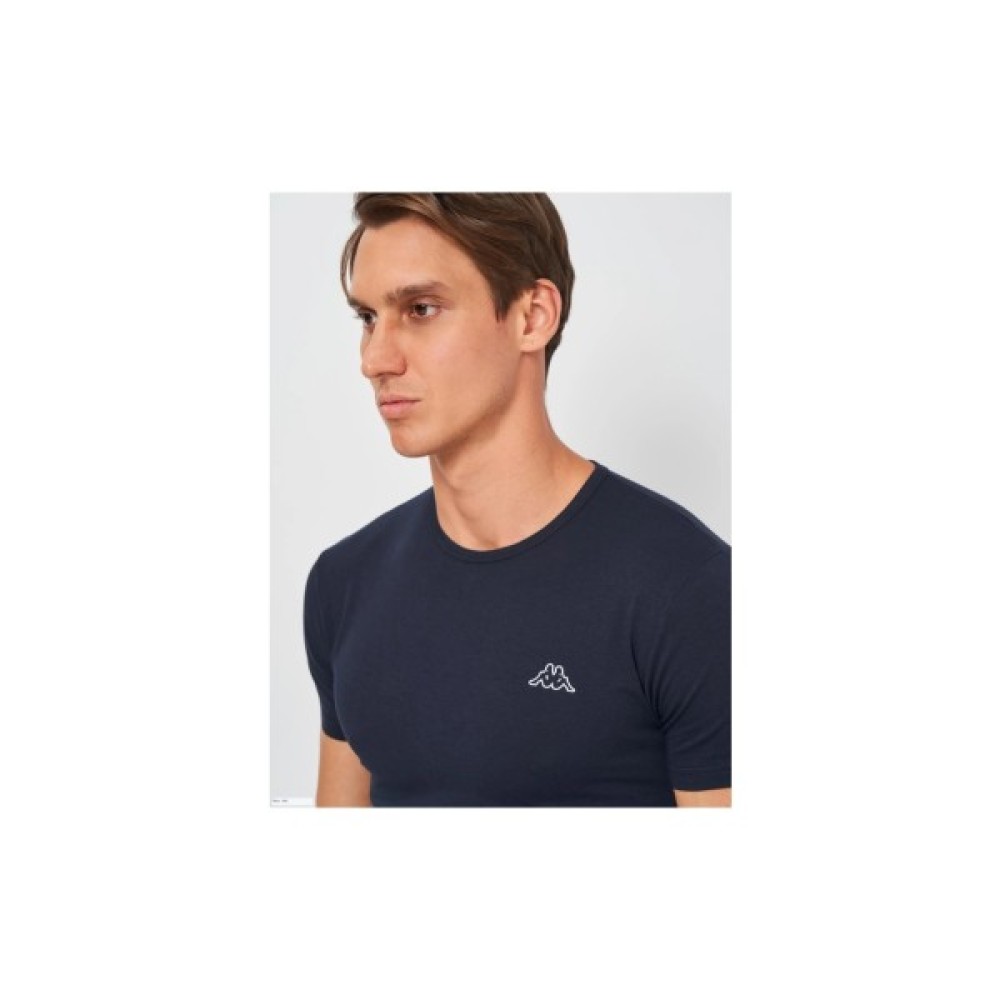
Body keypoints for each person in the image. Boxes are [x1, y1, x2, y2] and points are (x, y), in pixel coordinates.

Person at [303, 193, 731, 807]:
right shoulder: (344, 584)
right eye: (369, 317)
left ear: (533, 317)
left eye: (421, 309)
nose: (375, 359)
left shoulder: (687, 589)